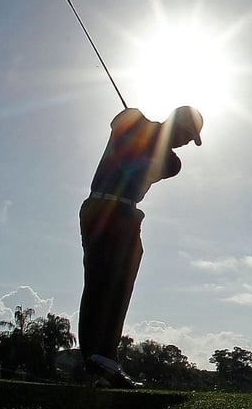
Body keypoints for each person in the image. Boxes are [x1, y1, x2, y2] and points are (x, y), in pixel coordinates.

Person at [77, 104, 203, 388]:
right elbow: (119, 122)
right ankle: (99, 357)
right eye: (185, 134)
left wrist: (146, 130)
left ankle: (103, 362)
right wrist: (141, 123)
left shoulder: (171, 162)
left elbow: (153, 163)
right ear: (174, 122)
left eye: (189, 139)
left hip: (126, 214)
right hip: (103, 207)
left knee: (119, 285)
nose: (184, 142)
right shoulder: (135, 121)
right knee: (102, 283)